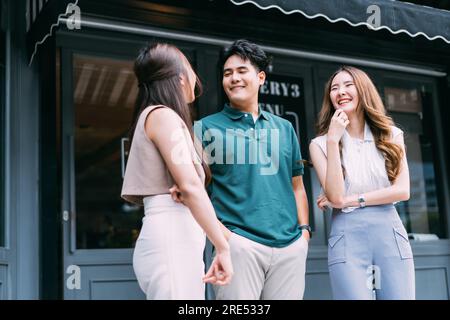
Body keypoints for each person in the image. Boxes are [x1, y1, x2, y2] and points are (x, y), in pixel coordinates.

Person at [173, 39, 310, 300]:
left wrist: (304, 233)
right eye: (227, 73)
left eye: (241, 71)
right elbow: (192, 193)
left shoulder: (284, 128)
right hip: (238, 246)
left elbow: (297, 187)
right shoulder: (203, 130)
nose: (233, 78)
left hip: (290, 248)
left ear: (260, 77)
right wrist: (226, 238)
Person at [121, 43, 233, 300]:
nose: (195, 76)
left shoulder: (164, 117)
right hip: (172, 236)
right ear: (181, 77)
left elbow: (190, 191)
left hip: (177, 234)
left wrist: (229, 241)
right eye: (191, 68)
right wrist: (223, 247)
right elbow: (192, 188)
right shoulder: (163, 116)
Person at [309, 66, 415, 300]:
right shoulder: (319, 144)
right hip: (347, 236)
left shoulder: (391, 135)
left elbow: (402, 190)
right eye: (334, 88)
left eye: (348, 85)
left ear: (364, 90)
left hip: (389, 232)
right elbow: (335, 196)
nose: (341, 92)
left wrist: (350, 200)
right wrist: (333, 140)